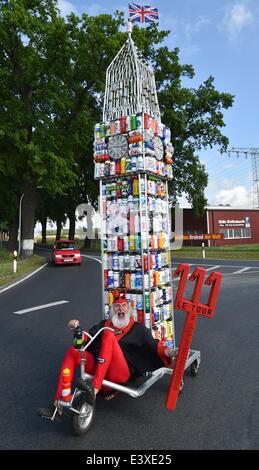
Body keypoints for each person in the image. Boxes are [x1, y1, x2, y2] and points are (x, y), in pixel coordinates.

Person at [38, 290, 177, 420]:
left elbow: (154, 345)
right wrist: (77, 330)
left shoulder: (138, 328)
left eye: (123, 306)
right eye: (117, 306)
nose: (120, 309)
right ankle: (60, 403)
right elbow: (87, 337)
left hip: (120, 372)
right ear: (112, 310)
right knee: (72, 351)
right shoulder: (105, 324)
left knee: (108, 335)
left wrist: (169, 352)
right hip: (100, 366)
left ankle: (95, 388)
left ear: (129, 310)